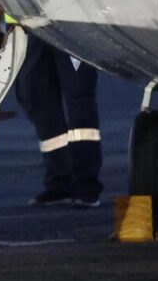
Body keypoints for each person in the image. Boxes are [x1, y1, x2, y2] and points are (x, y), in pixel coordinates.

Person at [7, 12, 103, 207]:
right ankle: (60, 182)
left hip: (71, 25)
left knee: (79, 103)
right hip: (29, 25)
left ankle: (86, 185)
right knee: (36, 98)